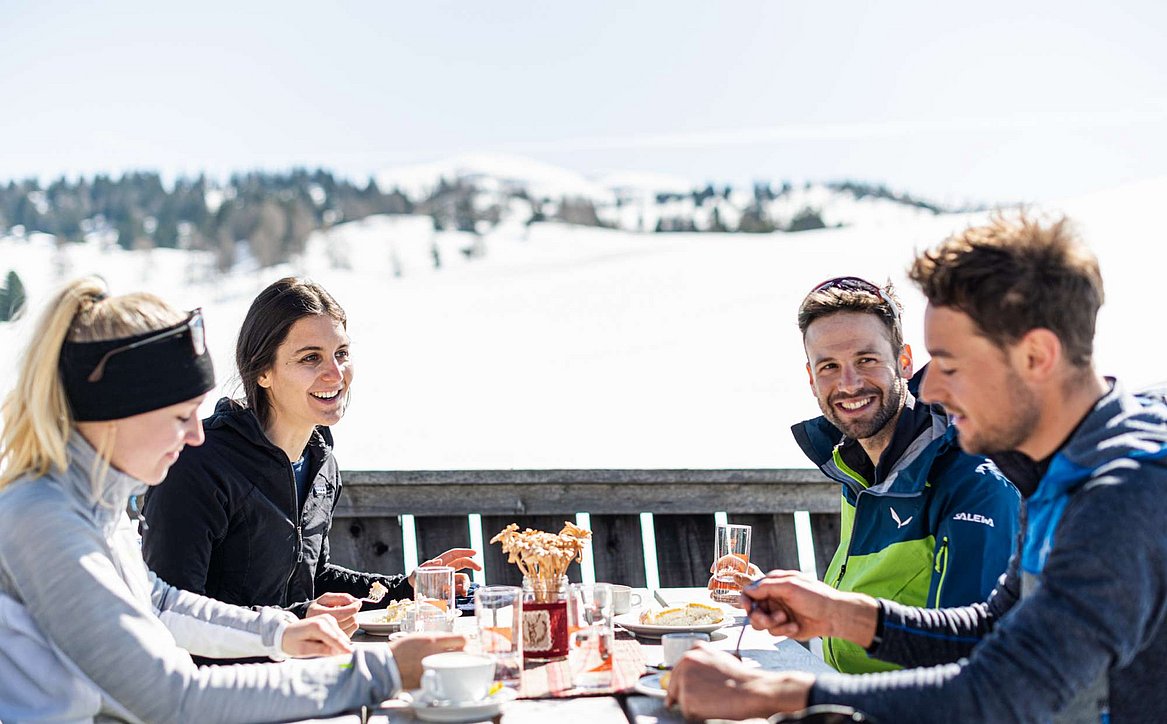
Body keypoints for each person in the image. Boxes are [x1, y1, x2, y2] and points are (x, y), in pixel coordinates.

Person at [668, 214, 1167, 722]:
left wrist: (774, 694)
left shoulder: (1123, 491)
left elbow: (1008, 690)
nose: (929, 391)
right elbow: (992, 628)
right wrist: (839, 613)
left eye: (949, 365)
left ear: (1036, 355)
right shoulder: (1060, 466)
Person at [0, 278, 463, 723]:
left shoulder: (97, 506)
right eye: (180, 415)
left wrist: (281, 632)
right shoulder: (44, 519)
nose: (196, 433)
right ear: (115, 416)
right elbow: (172, 701)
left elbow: (159, 603)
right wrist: (379, 673)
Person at [141, 277, 478, 650]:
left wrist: (406, 588)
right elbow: (173, 613)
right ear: (262, 372)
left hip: (296, 674)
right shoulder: (198, 464)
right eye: (310, 358)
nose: (335, 373)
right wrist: (297, 621)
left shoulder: (320, 463)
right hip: (214, 692)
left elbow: (312, 580)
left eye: (342, 353)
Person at [789, 276, 1018, 673]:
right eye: (829, 366)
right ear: (811, 379)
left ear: (904, 361)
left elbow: (969, 661)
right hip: (846, 699)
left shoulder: (975, 484)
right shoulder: (857, 470)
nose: (849, 383)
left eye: (867, 359)